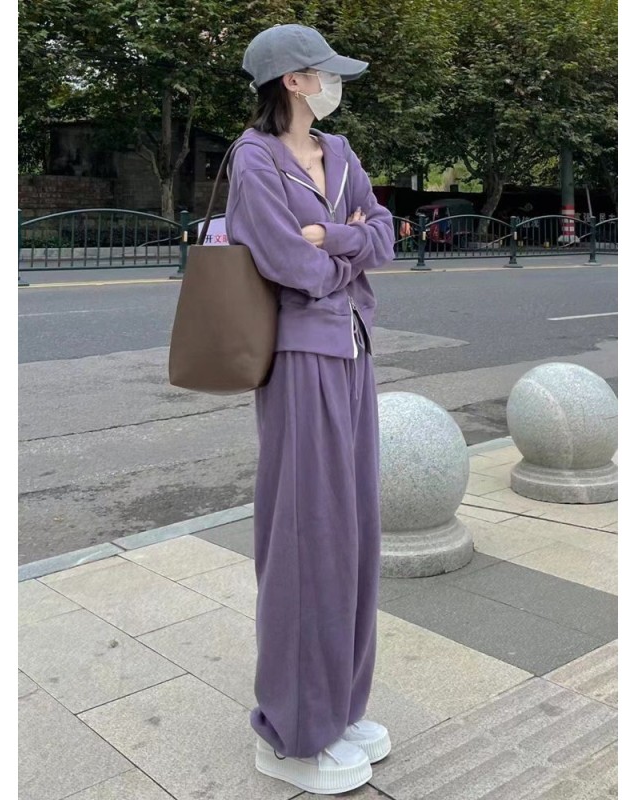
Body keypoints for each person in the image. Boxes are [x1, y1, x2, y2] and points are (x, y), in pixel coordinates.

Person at [225, 23, 396, 796]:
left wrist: (335, 237)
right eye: (325, 72)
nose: (335, 84)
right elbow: (286, 262)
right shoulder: (255, 158)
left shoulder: (342, 153)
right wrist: (339, 248)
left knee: (353, 534)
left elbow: (382, 235)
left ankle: (338, 707)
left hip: (353, 350)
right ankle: (291, 733)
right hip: (299, 360)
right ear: (293, 80)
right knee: (306, 538)